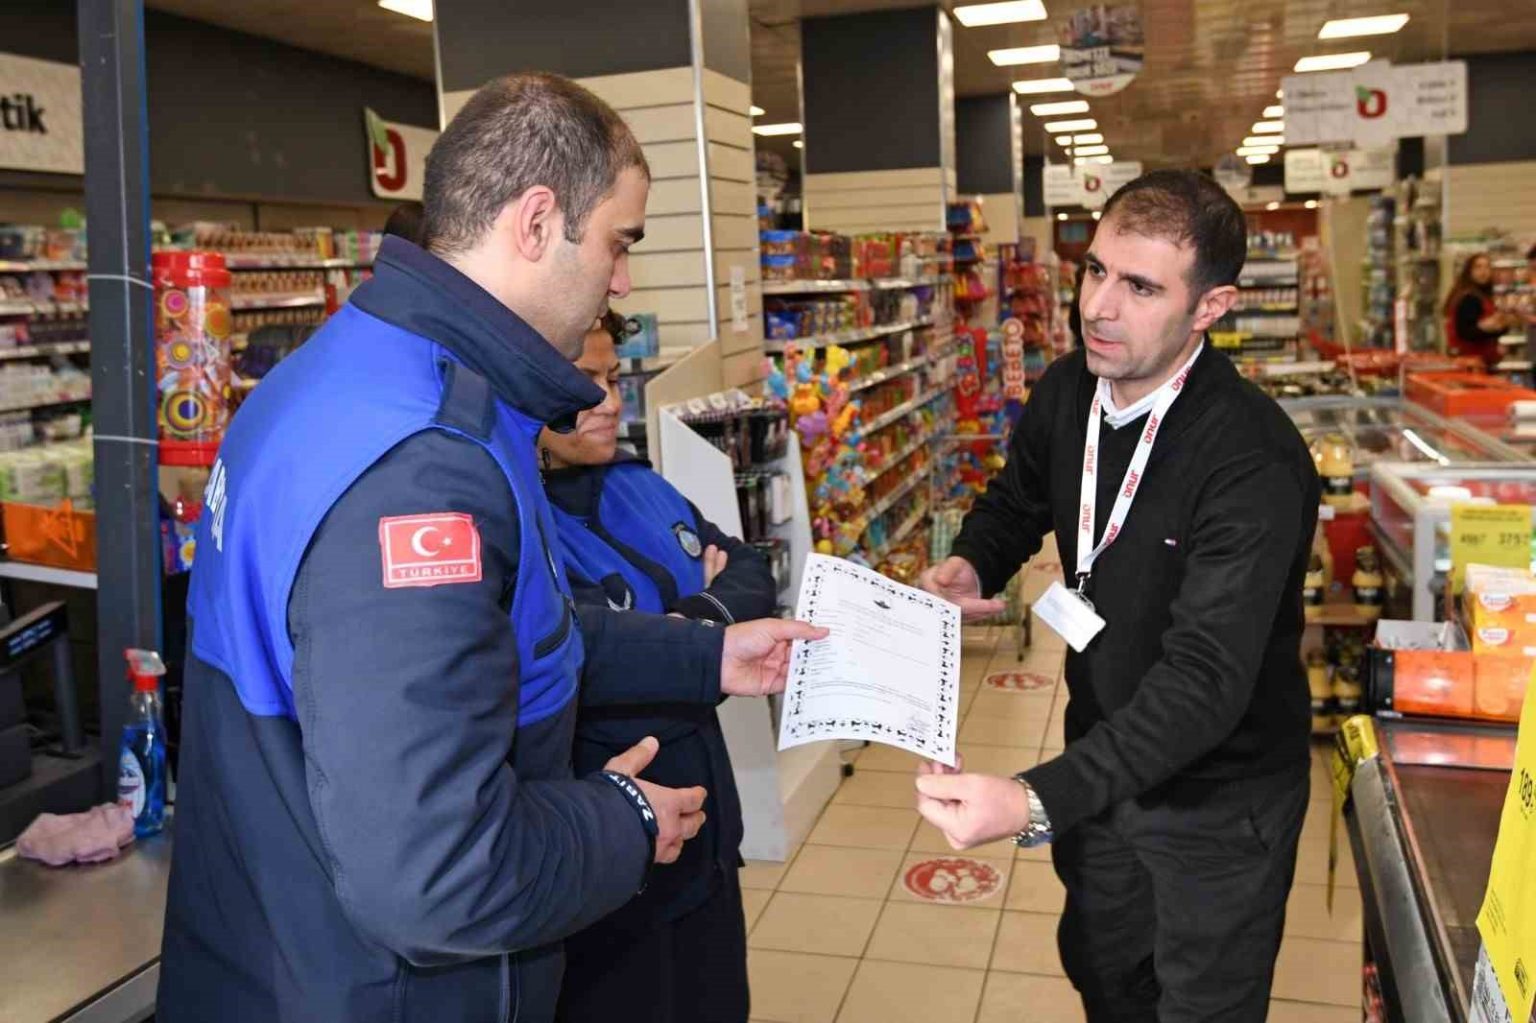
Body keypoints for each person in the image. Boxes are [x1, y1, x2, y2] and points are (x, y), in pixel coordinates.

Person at [158, 72, 823, 1023]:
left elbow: (498, 637)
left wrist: (707, 653)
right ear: (537, 221)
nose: (622, 283)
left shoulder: (345, 377)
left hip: (284, 949)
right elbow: (438, 872)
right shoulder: (425, 464)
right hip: (372, 994)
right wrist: (621, 820)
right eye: (619, 243)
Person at [914, 169, 1319, 1022]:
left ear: (1209, 307)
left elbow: (1204, 681)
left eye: (1140, 287)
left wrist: (1035, 798)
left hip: (1220, 799)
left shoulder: (1252, 459)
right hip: (1104, 760)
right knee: (1105, 976)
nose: (1098, 306)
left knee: (1202, 1005)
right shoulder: (1069, 389)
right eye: (1095, 270)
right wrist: (975, 563)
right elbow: (1019, 498)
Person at [542, 312, 777, 1023]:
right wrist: (702, 640)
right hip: (615, 853)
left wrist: (684, 622)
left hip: (709, 830)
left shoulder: (640, 484)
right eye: (587, 381)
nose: (611, 401)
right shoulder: (521, 521)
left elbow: (751, 568)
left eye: (615, 379)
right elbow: (586, 658)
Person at [1445, 252, 1517, 368]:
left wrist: (1501, 325)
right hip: (1471, 362)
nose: (1483, 272)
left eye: (1487, 267)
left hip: (1478, 361)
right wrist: (1491, 327)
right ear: (1469, 271)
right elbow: (1465, 332)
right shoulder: (1469, 298)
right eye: (1478, 267)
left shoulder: (1480, 296)